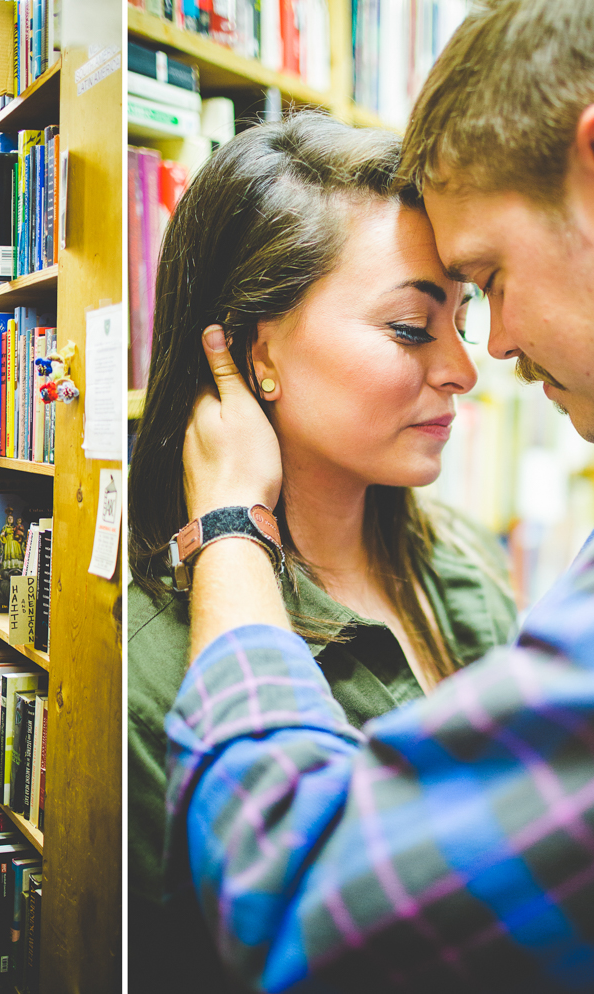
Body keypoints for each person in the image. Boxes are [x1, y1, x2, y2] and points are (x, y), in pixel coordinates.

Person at [165, 0, 594, 990]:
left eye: (487, 280)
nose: (490, 352)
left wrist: (228, 528)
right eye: (413, 325)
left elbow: (312, 905)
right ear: (258, 350)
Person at [126, 113, 518, 991]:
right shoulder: (155, 668)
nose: (464, 368)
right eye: (412, 327)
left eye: (463, 318)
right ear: (258, 352)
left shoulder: (463, 569)